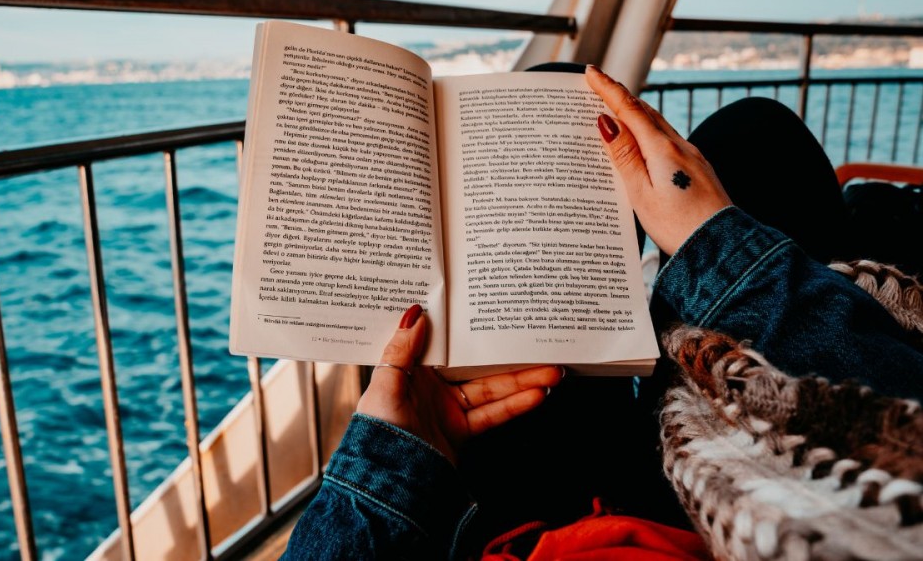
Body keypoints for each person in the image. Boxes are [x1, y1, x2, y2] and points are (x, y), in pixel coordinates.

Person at [281, 65, 923, 559]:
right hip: (686, 501)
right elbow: (891, 440)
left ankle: (646, 341)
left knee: (552, 376)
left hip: (525, 527)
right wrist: (715, 242)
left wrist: (389, 461)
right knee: (755, 136)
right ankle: (655, 330)